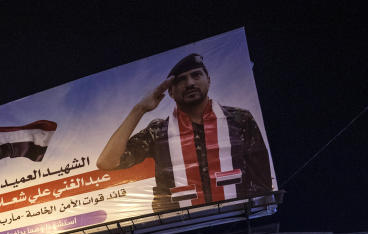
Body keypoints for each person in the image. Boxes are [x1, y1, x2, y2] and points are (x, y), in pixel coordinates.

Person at [97, 53, 272, 212]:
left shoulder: (240, 120)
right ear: (171, 92)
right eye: (181, 80)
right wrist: (140, 109)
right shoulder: (158, 132)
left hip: (237, 225)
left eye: (196, 75)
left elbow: (262, 182)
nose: (189, 83)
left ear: (208, 80)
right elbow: (107, 162)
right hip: (182, 233)